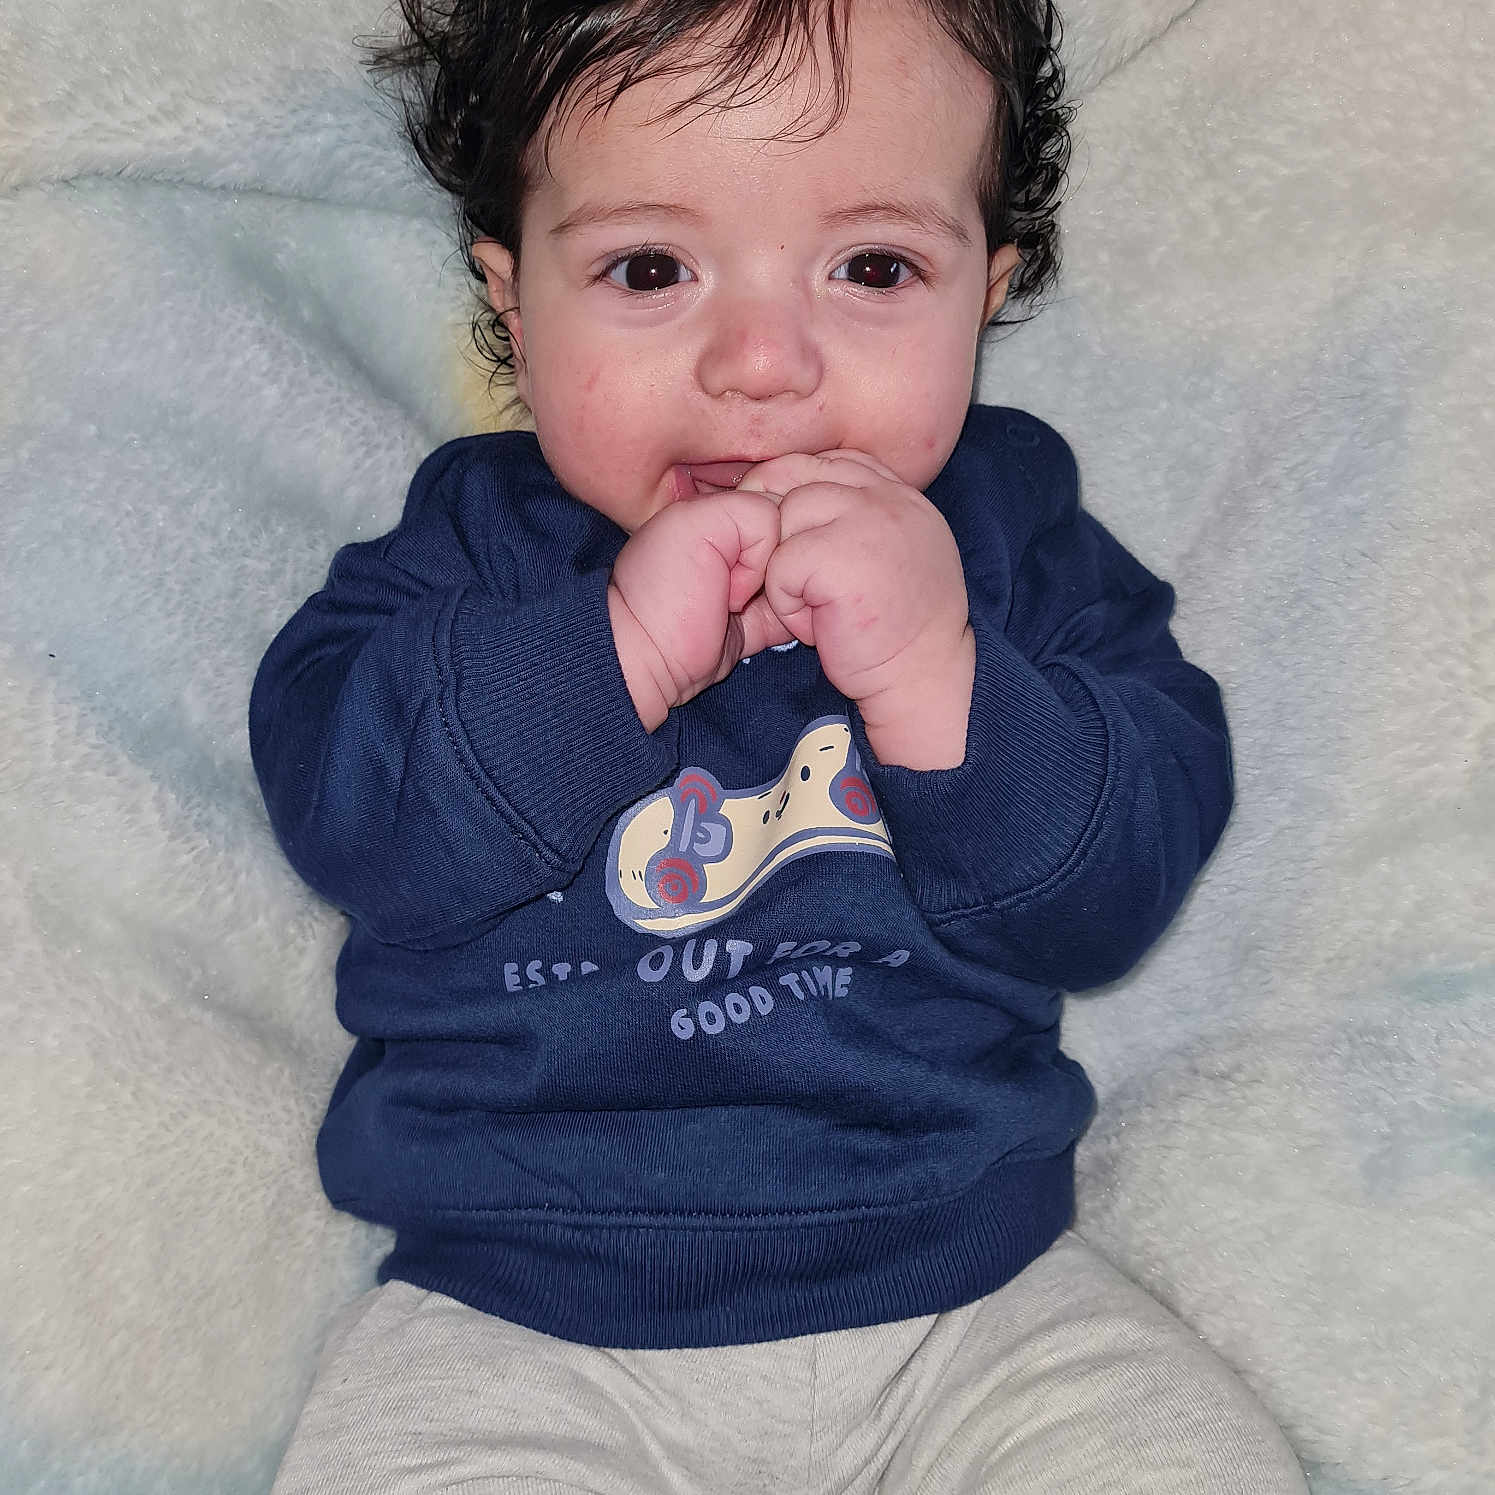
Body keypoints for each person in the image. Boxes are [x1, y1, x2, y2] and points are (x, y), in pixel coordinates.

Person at [251, 0, 1307, 1489]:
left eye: (872, 269)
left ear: (985, 291)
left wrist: (940, 672)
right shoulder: (470, 556)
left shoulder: (1009, 548)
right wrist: (612, 653)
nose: (760, 362)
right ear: (515, 303)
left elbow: (1117, 883)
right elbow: (351, 812)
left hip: (976, 1299)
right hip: (518, 1320)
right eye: (649, 269)